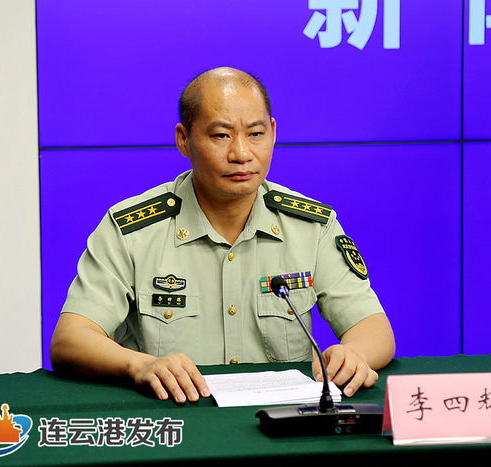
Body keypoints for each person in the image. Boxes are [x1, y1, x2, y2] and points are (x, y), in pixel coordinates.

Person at [50, 67, 395, 404]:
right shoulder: (133, 230)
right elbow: (70, 340)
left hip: (281, 420)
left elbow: (373, 326)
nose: (241, 154)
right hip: (176, 420)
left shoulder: (311, 225)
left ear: (273, 132)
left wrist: (355, 353)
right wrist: (140, 365)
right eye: (221, 136)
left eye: (256, 134)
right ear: (184, 139)